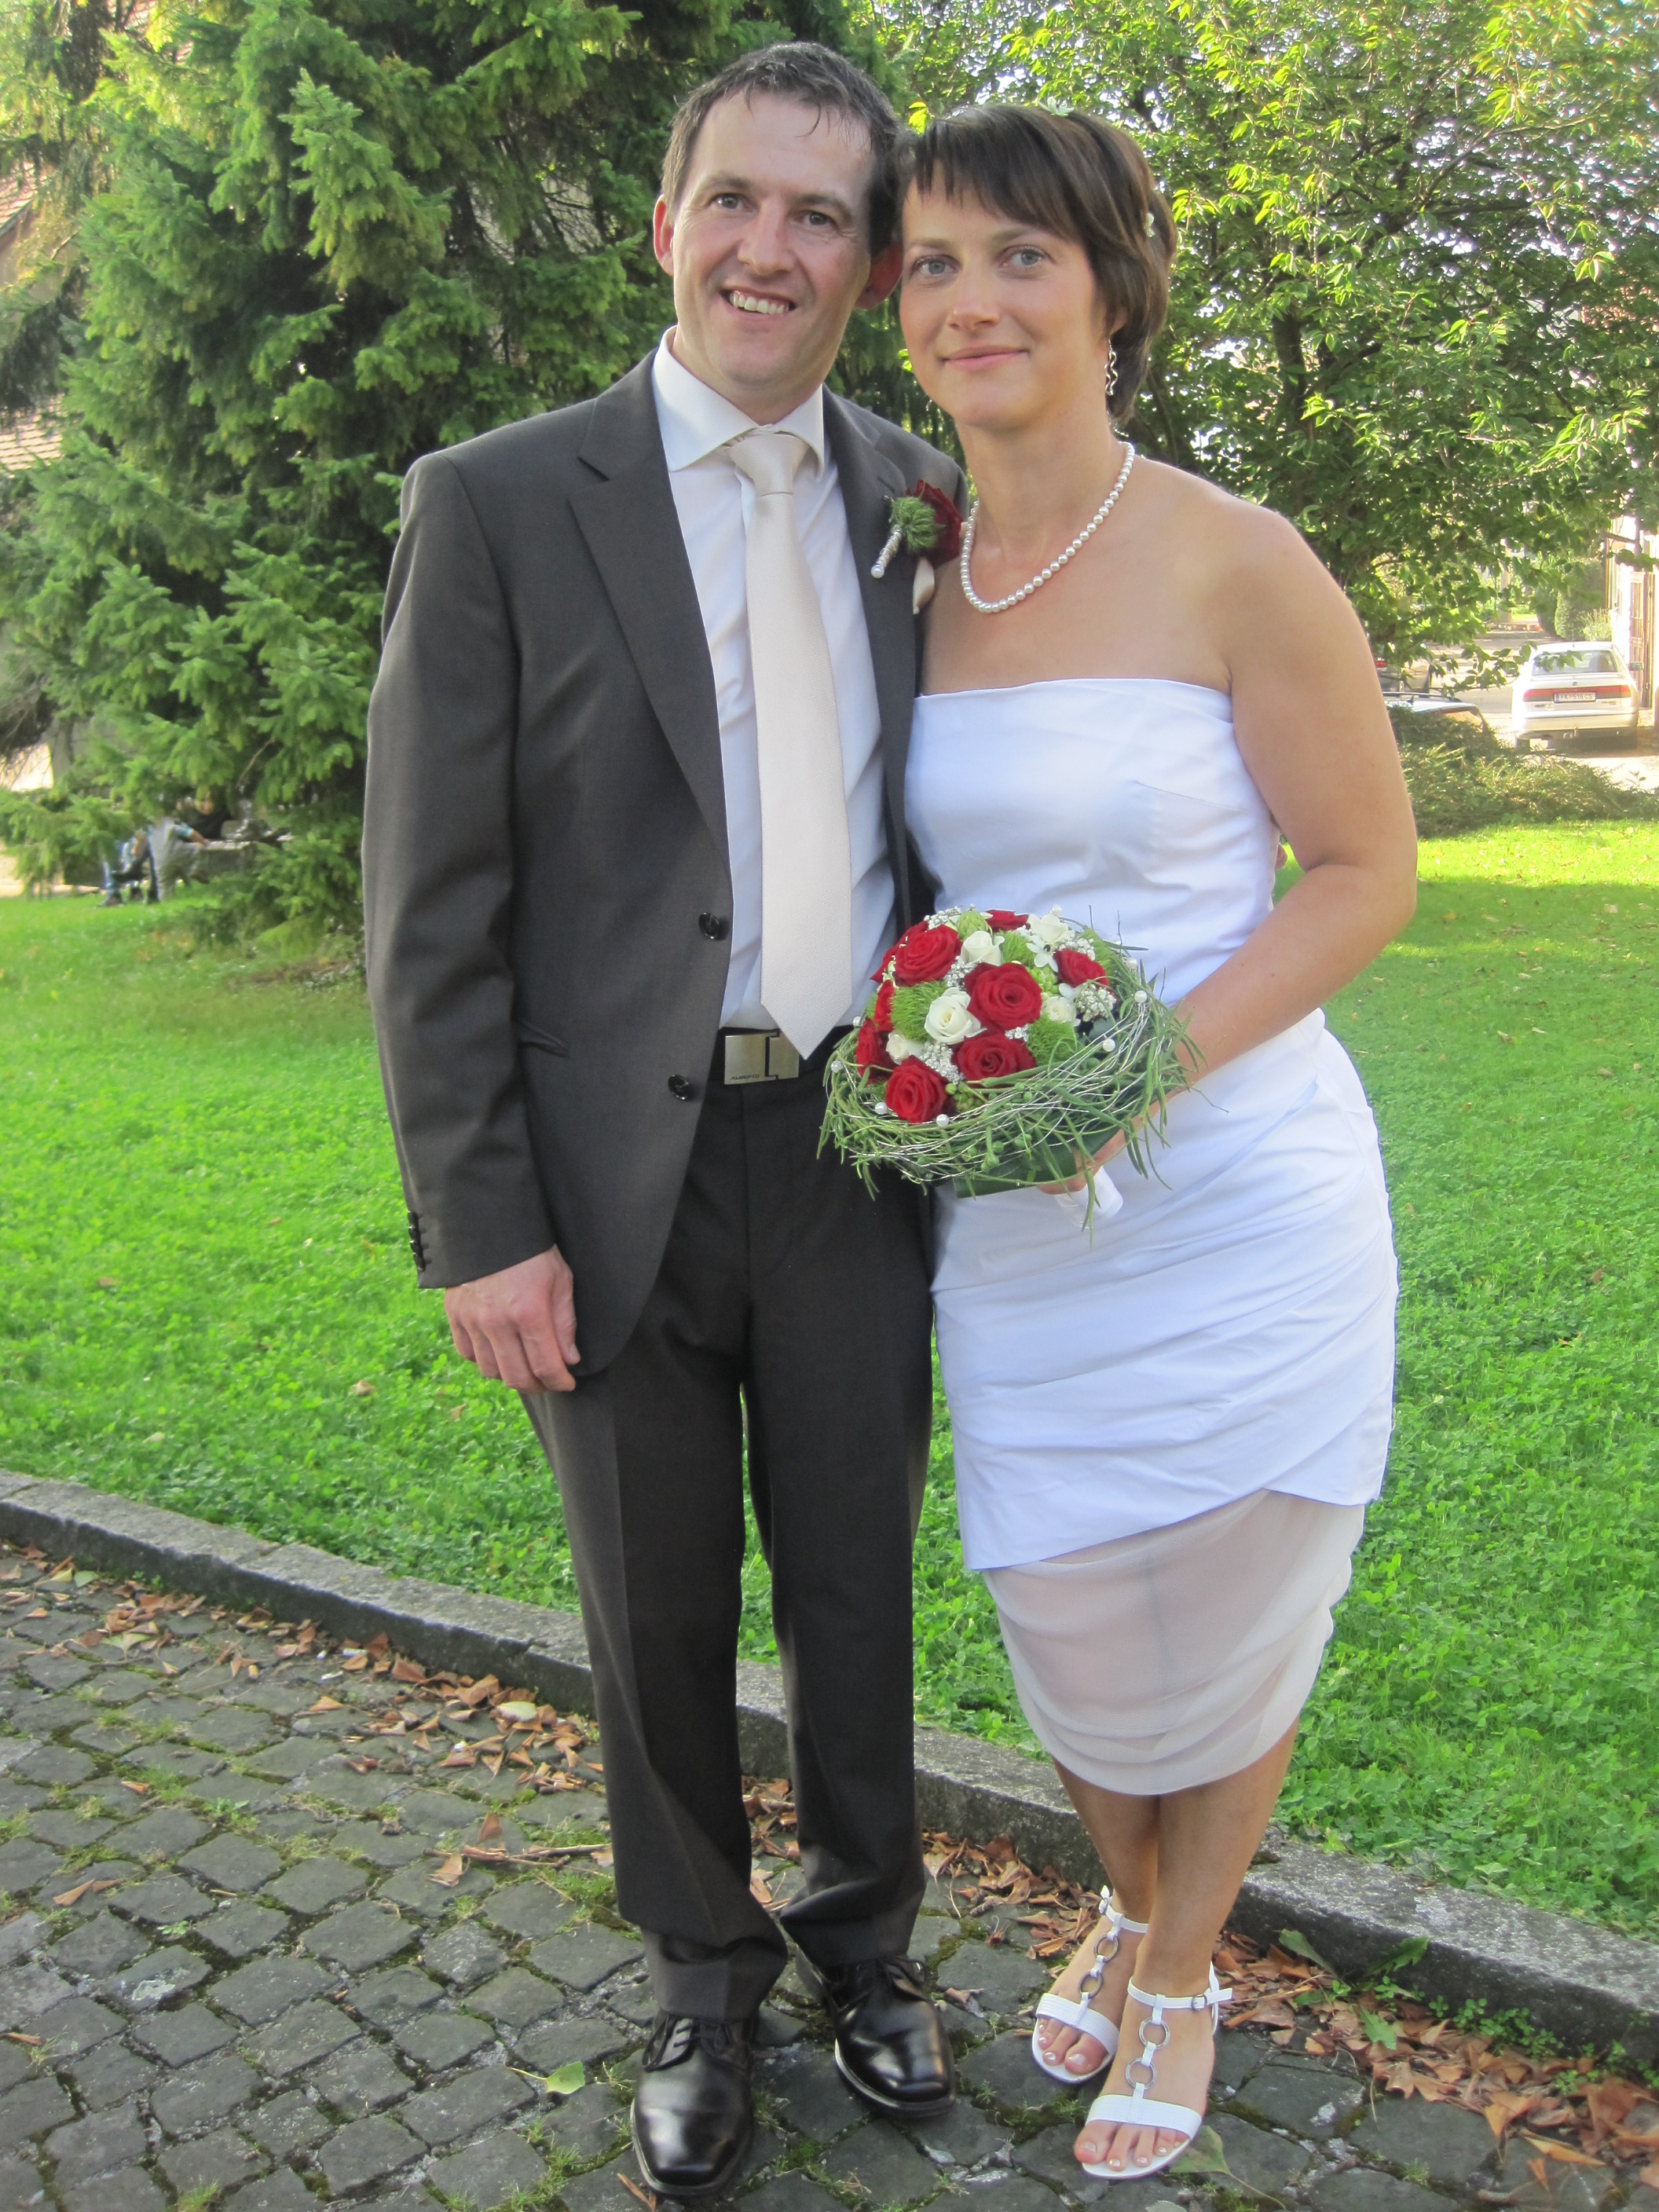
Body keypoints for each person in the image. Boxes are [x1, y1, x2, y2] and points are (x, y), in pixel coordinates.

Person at [362, 43, 965, 2201]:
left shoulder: (925, 496)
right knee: (655, 1605)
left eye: (820, 216)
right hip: (605, 1174)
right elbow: (428, 903)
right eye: (735, 200)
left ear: (867, 263)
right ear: (664, 224)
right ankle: (703, 1976)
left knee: (857, 1585)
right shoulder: (502, 499)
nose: (767, 250)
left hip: (854, 1153)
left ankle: (866, 1940)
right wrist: (475, 1222)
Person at [895, 106, 1416, 2182]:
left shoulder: (1232, 555)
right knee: (1065, 1610)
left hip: (1239, 1190)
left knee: (1237, 1595)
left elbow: (1365, 871)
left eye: (1018, 255)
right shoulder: (913, 567)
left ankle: (1181, 1965)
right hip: (1017, 1225)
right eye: (932, 263)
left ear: (1111, 289)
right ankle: (1126, 1896)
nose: (971, 299)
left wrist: (1132, 1078)